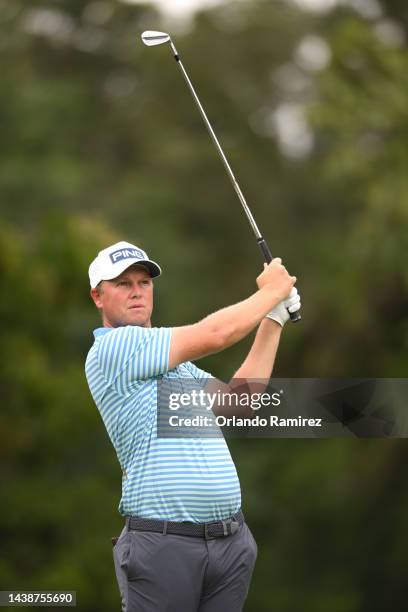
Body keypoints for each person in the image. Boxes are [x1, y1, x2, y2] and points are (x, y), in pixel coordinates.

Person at [85, 240, 301, 612]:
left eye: (144, 282)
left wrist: (274, 318)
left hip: (230, 544)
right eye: (122, 284)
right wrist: (270, 291)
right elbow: (216, 335)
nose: (137, 291)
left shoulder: (174, 364)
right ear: (98, 297)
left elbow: (239, 402)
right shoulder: (113, 350)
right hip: (164, 546)